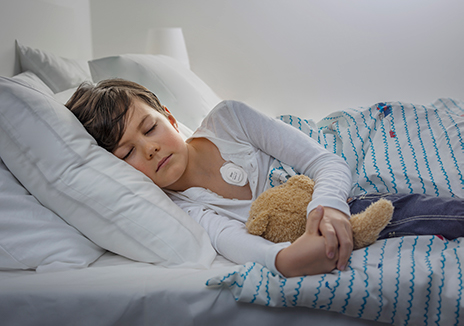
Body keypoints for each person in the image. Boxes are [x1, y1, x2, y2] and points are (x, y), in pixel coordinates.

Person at [66, 78, 464, 277]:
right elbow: (233, 243)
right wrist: (284, 259)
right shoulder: (182, 209)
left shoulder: (230, 119)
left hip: (354, 145)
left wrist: (328, 206)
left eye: (149, 128)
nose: (148, 148)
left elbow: (328, 162)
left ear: (169, 117)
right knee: (411, 211)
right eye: (127, 152)